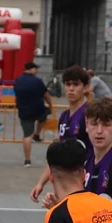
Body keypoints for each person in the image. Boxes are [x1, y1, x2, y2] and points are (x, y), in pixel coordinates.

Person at [29, 66, 90, 204]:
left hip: (84, 179)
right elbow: (58, 153)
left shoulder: (89, 114)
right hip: (66, 180)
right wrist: (41, 183)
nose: (71, 89)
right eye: (68, 84)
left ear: (85, 87)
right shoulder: (64, 116)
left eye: (76, 84)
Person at [14, 62, 52, 167]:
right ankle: (37, 134)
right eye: (36, 69)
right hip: (38, 109)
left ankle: (27, 161)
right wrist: (51, 105)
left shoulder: (18, 80)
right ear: (31, 69)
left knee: (27, 136)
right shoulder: (37, 81)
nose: (37, 71)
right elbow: (46, 95)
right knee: (44, 115)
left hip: (23, 111)